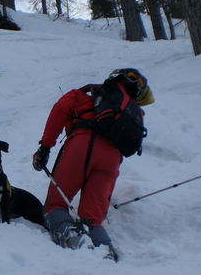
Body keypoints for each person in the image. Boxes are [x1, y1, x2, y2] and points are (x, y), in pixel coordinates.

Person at [32, 68, 155, 261]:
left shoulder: (82, 96)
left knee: (55, 205)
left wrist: (45, 148)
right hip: (112, 159)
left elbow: (59, 111)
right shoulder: (131, 111)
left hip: (82, 147)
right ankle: (105, 252)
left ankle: (74, 241)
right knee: (93, 219)